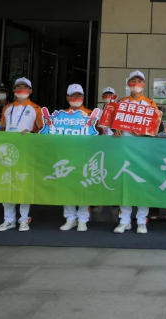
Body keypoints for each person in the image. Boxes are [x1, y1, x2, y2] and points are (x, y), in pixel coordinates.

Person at [112, 71, 159, 235]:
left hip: (142, 152)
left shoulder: (150, 104)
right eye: (133, 80)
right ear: (128, 83)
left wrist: (144, 132)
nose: (136, 84)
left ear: (144, 84)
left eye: (139, 81)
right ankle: (124, 221)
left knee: (141, 186)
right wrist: (115, 130)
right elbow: (112, 122)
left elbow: (156, 127)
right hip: (124, 149)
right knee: (125, 185)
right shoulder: (121, 102)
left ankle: (141, 221)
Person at [0, 77, 43, 232]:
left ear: (30, 91)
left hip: (26, 152)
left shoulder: (37, 109)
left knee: (24, 185)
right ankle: (8, 220)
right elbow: (1, 128)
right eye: (18, 87)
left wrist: (31, 132)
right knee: (7, 184)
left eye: (25, 87)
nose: (21, 90)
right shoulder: (7, 108)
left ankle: (24, 219)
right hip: (8, 152)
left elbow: (43, 130)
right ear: (14, 90)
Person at [60, 84, 92, 232]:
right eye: (73, 95)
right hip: (66, 155)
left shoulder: (91, 114)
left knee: (83, 187)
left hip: (85, 155)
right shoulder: (60, 115)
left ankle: (83, 219)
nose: (76, 98)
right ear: (67, 97)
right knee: (67, 187)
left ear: (83, 97)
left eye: (79, 95)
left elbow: (99, 134)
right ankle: (70, 218)